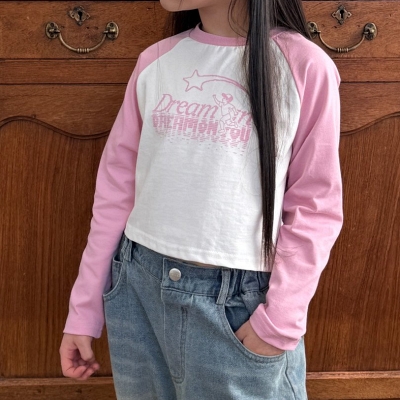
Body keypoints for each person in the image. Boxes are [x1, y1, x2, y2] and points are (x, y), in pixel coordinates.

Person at [60, 0, 343, 398]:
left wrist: (279, 322)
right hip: (138, 293)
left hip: (239, 306)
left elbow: (316, 206)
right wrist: (85, 308)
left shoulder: (304, 66)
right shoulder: (156, 61)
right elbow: (114, 192)